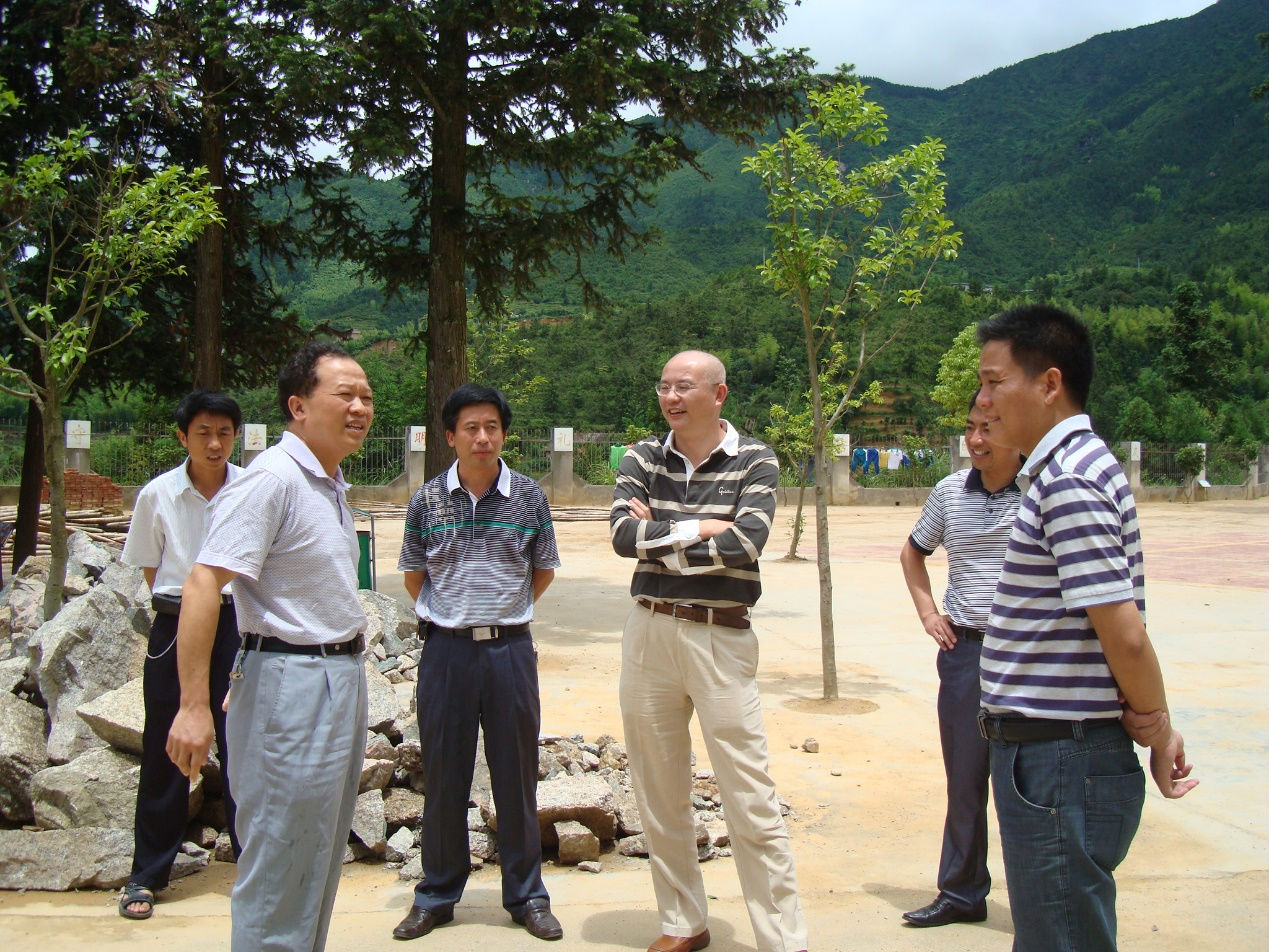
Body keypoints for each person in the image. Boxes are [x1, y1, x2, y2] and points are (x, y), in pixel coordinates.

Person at [975, 305, 1198, 952]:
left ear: (1049, 383)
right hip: (1053, 757)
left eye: (994, 382)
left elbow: (1122, 632)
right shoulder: (1065, 471)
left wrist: (1157, 727)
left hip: (1058, 762)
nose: (982, 402)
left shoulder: (1069, 480)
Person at [166, 342, 374, 952]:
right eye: (344, 395)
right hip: (291, 681)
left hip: (338, 675)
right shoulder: (272, 480)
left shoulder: (327, 483)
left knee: (317, 850)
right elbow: (203, 582)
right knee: (282, 853)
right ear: (297, 406)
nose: (360, 407)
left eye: (366, 397)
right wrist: (193, 706)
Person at [610, 350, 807, 952]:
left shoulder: (756, 459)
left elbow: (747, 542)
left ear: (718, 394)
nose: (671, 397)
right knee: (658, 786)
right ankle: (682, 923)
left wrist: (663, 535)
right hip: (648, 633)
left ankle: (783, 939)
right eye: (664, 386)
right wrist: (702, 527)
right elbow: (621, 535)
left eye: (684, 386)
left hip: (722, 636)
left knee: (749, 791)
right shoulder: (643, 456)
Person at [392, 383, 562, 942]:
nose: (482, 437)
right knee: (444, 775)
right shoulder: (427, 500)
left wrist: (502, 611)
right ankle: (437, 894)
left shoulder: (529, 496)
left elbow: (543, 570)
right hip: (447, 653)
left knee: (516, 775)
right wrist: (454, 616)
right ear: (450, 436)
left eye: (492, 426)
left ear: (503, 434)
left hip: (510, 651)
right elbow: (414, 573)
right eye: (470, 427)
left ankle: (527, 896)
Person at [117, 390, 244, 920]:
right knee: (166, 747)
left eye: (224, 433)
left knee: (244, 746)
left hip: (239, 625)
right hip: (175, 626)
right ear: (182, 437)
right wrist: (187, 611)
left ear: (236, 436)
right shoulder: (158, 494)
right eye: (203, 434)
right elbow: (152, 568)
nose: (214, 444)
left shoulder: (252, 489)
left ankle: (254, 867)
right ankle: (147, 874)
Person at [898, 394, 1023, 928]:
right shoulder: (950, 492)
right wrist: (929, 613)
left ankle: (1038, 897)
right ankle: (962, 892)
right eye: (971, 427)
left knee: (1026, 784)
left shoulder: (1043, 491)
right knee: (966, 779)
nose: (975, 439)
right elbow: (913, 552)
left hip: (1028, 656)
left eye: (989, 428)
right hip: (965, 653)